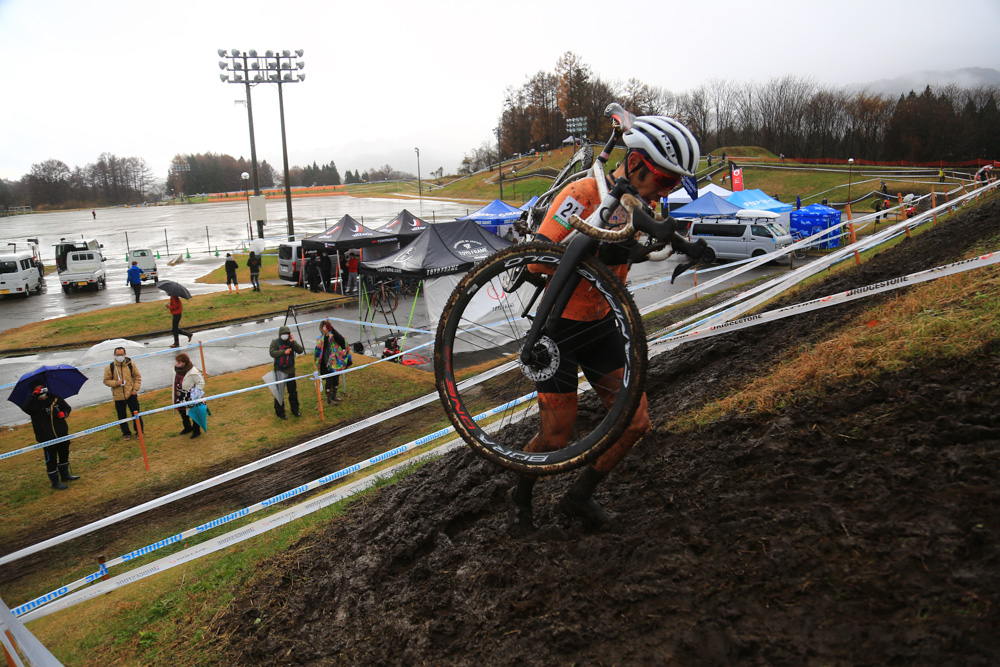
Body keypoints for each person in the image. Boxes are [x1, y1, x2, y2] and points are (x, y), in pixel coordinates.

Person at [509, 115, 699, 534]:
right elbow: (540, 260)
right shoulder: (582, 193)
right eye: (662, 181)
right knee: (557, 438)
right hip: (559, 331)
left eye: (672, 186)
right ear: (634, 163)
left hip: (601, 326)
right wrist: (602, 252)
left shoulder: (641, 204)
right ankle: (521, 492)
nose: (664, 192)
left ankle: (578, 498)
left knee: (636, 423)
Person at [24, 382, 79, 490]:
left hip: (62, 434)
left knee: (64, 453)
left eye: (42, 389)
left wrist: (64, 414)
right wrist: (34, 396)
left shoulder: (55, 398)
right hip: (46, 437)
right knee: (51, 459)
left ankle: (65, 475)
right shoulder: (33, 404)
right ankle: (55, 482)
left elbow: (67, 408)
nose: (42, 392)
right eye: (38, 390)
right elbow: (26, 409)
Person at [103, 346, 144, 440]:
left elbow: (137, 378)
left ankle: (139, 431)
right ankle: (126, 433)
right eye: (118, 355)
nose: (120, 356)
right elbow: (106, 380)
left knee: (136, 414)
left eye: (121, 355)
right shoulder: (110, 367)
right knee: (122, 416)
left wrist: (135, 390)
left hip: (131, 394)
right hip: (118, 396)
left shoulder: (131, 364)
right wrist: (115, 383)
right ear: (114, 355)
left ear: (125, 354)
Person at [270, 325, 304, 419]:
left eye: (286, 334)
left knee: (293, 392)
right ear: (280, 334)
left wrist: (293, 342)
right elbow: (272, 353)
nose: (285, 335)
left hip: (290, 371)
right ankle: (280, 413)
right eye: (283, 334)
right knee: (279, 393)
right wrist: (283, 352)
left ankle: (295, 410)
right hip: (279, 371)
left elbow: (300, 350)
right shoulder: (275, 342)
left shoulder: (291, 342)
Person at [314, 320, 350, 405]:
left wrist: (333, 330)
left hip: (336, 363)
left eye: (327, 327)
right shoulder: (320, 338)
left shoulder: (333, 336)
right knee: (329, 381)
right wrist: (326, 336)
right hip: (326, 364)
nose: (326, 329)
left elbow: (341, 341)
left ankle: (334, 396)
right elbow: (321, 346)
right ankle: (329, 399)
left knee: (336, 380)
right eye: (324, 327)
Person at [172, 353, 205, 439]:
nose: (177, 363)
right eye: (177, 361)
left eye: (179, 362)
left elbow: (201, 383)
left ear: (184, 362)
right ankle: (187, 427)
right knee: (182, 412)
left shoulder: (193, 371)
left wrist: (195, 393)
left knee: (193, 413)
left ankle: (196, 430)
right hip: (179, 395)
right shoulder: (176, 370)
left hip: (190, 396)